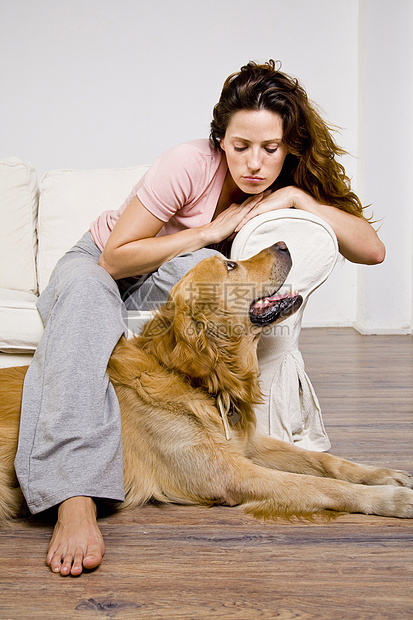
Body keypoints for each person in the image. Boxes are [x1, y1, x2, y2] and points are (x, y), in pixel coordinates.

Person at [14, 60, 385, 577]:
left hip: (175, 283)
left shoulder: (284, 181)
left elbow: (372, 250)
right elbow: (115, 259)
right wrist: (207, 233)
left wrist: (300, 197)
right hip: (104, 266)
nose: (254, 164)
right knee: (89, 292)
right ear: (220, 140)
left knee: (204, 277)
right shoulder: (189, 163)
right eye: (240, 147)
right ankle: (73, 495)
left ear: (290, 146)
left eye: (270, 149)